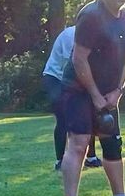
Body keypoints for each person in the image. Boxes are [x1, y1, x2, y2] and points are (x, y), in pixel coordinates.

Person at [59, 0, 125, 196]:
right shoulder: (91, 16)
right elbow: (79, 59)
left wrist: (118, 91)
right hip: (78, 90)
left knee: (112, 143)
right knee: (79, 143)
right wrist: (95, 95)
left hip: (108, 92)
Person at [41, 25, 99, 170]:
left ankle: (91, 158)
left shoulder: (95, 34)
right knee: (63, 118)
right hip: (55, 78)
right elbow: (74, 64)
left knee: (88, 115)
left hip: (76, 77)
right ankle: (60, 161)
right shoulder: (71, 35)